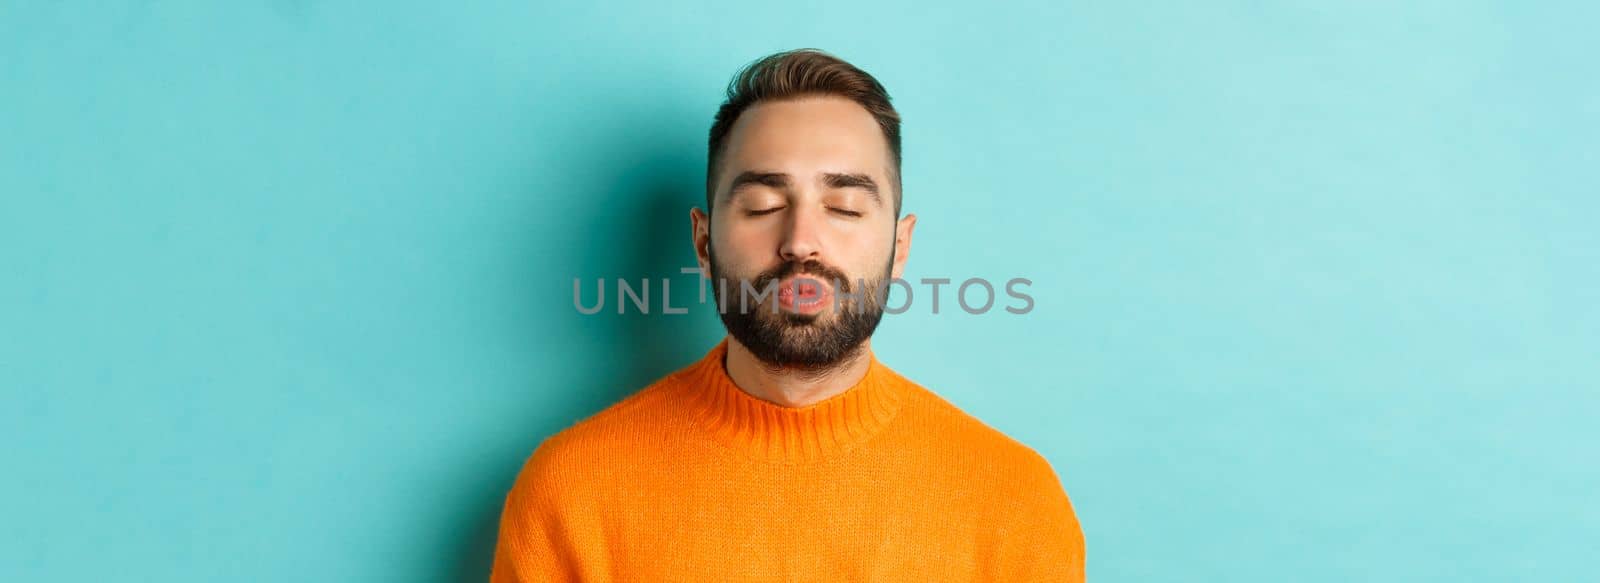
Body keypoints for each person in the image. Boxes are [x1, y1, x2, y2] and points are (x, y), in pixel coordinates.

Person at [490, 48, 1084, 581]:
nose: (801, 241)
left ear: (900, 247)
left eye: (845, 207)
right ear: (703, 243)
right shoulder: (569, 494)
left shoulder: (1014, 501)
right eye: (763, 204)